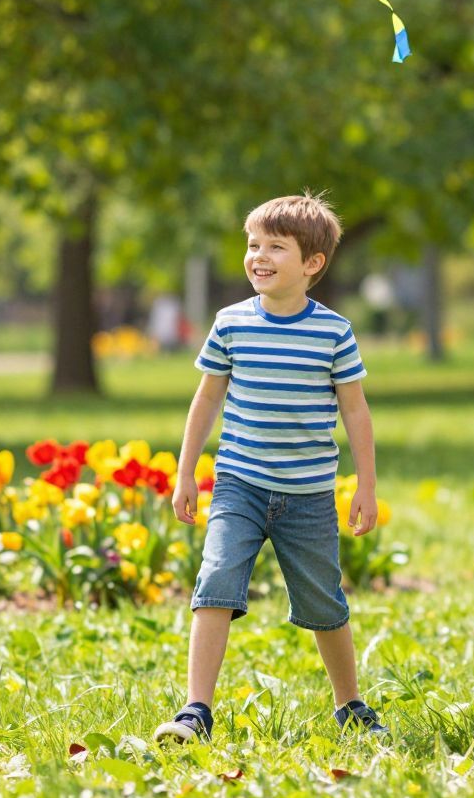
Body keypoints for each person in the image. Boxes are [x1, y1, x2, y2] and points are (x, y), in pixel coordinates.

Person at [155, 193, 387, 743]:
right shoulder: (230, 323)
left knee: (323, 603)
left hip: (308, 494)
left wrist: (367, 487)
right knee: (214, 582)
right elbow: (206, 399)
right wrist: (187, 472)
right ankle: (195, 710)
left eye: (275, 247)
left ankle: (350, 704)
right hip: (240, 483)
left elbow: (355, 409)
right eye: (253, 244)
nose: (258, 256)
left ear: (312, 264)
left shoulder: (333, 332)